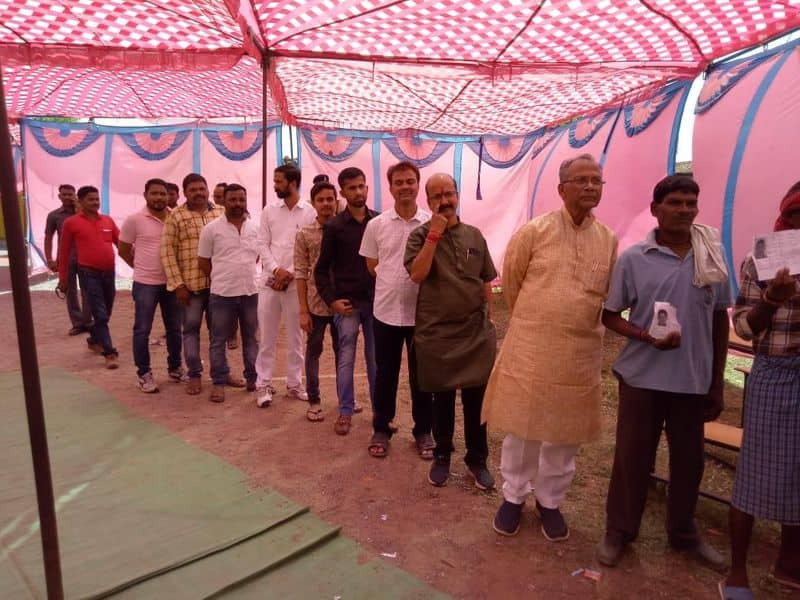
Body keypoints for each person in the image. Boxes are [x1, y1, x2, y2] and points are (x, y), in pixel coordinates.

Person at [595, 175, 731, 570]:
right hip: (641, 379)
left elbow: (719, 319)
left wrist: (715, 380)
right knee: (632, 459)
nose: (685, 210)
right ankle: (619, 532)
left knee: (689, 462)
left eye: (692, 203)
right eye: (676, 202)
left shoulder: (710, 253)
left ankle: (683, 534)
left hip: (692, 380)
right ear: (656, 209)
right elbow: (609, 315)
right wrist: (644, 336)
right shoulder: (635, 258)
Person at [482, 153, 618, 540]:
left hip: (580, 353)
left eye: (597, 180)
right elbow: (513, 283)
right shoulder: (534, 231)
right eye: (582, 180)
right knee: (523, 426)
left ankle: (551, 501)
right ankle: (513, 496)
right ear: (562, 189)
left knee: (565, 431)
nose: (591, 186)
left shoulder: (608, 239)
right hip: (532, 346)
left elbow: (605, 293)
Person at [720, 181, 800, 599]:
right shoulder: (764, 258)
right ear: (785, 218)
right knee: (755, 473)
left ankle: (790, 562)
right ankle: (737, 571)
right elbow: (744, 328)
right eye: (796, 218)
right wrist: (772, 299)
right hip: (775, 373)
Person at [404, 173, 496, 490]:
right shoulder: (418, 236)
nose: (444, 201)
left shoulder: (475, 235)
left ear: (457, 195)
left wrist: (489, 319)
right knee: (441, 399)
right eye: (437, 196)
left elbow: (485, 279)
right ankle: (442, 456)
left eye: (449, 193)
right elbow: (417, 274)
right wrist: (434, 235)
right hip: (437, 334)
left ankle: (477, 460)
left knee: (476, 400)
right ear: (427, 202)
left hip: (474, 333)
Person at [361, 161, 433, 456]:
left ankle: (423, 431)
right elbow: (371, 264)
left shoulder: (431, 224)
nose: (405, 186)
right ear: (390, 188)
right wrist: (392, 281)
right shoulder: (376, 225)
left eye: (410, 181)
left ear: (418, 185)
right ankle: (381, 427)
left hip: (423, 314)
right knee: (385, 374)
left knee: (423, 376)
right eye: (399, 182)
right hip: (386, 312)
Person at [314, 167, 378, 434]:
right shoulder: (334, 227)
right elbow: (320, 270)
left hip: (376, 305)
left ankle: (380, 412)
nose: (358, 192)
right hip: (347, 305)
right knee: (346, 359)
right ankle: (345, 410)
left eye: (361, 186)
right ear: (343, 192)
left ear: (367, 188)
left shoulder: (378, 222)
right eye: (351, 188)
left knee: (376, 361)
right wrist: (332, 302)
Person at [255, 164, 316, 407]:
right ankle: (263, 385)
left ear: (292, 182)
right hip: (270, 282)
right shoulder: (269, 211)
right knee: (267, 337)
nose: (275, 185)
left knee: (296, 338)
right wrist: (277, 270)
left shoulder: (309, 212)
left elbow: (309, 248)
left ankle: (294, 384)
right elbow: (262, 244)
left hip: (296, 284)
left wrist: (290, 274)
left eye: (278, 181)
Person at [118, 178, 185, 393]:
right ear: (145, 195)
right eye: (154, 193)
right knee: (142, 329)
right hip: (145, 284)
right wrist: (140, 267)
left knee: (175, 329)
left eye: (162, 194)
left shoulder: (176, 218)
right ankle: (144, 374)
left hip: (172, 283)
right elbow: (123, 249)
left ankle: (175, 367)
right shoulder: (134, 220)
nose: (158, 198)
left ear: (169, 196)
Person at [161, 173, 225, 395]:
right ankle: (194, 374)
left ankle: (221, 374)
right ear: (185, 193)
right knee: (190, 331)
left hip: (218, 287)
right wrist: (178, 285)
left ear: (207, 189)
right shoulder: (176, 217)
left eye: (201, 188)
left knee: (219, 333)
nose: (198, 193)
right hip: (191, 288)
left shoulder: (220, 212)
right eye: (193, 190)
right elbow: (167, 253)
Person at [198, 184, 260, 404]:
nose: (237, 204)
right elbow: (203, 261)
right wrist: (223, 277)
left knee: (251, 337)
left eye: (241, 199)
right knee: (218, 340)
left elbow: (257, 257)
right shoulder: (211, 229)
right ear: (224, 201)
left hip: (251, 291)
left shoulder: (256, 227)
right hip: (222, 293)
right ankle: (218, 381)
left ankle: (253, 378)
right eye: (232, 200)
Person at [57, 185, 121, 369]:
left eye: (97, 199)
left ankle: (94, 338)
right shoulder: (71, 223)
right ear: (81, 201)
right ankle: (109, 352)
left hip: (109, 273)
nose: (95, 202)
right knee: (100, 313)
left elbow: (121, 243)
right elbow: (64, 252)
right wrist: (63, 278)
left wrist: (137, 261)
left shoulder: (107, 221)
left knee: (106, 312)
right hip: (88, 274)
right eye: (90, 199)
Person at [294, 180, 340, 422]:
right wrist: (303, 310)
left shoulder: (346, 229)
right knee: (314, 351)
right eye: (321, 200)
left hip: (343, 303)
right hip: (315, 304)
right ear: (313, 203)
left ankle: (346, 401)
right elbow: (300, 273)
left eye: (329, 199)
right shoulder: (304, 234)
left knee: (344, 352)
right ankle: (314, 400)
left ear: (336, 201)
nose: (326, 204)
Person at [45, 183, 93, 335]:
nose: (67, 197)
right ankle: (77, 323)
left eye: (70, 194)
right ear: (59, 196)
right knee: (69, 291)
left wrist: (79, 208)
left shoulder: (84, 212)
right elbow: (48, 237)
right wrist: (50, 259)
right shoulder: (54, 215)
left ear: (75, 196)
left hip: (85, 257)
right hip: (65, 258)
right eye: (64, 194)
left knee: (87, 290)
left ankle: (88, 322)